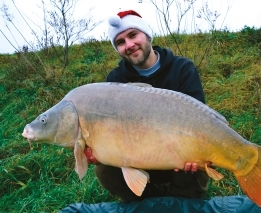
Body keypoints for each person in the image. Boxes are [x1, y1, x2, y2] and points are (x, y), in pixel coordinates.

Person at [85, 10, 210, 203]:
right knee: (104, 169)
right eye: (120, 42)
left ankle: (185, 198)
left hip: (178, 154)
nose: (129, 45)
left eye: (133, 35)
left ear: (147, 35)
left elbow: (202, 121)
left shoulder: (183, 69)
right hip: (136, 157)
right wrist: (99, 150)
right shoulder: (115, 81)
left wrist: (194, 152)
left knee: (197, 163)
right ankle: (145, 201)